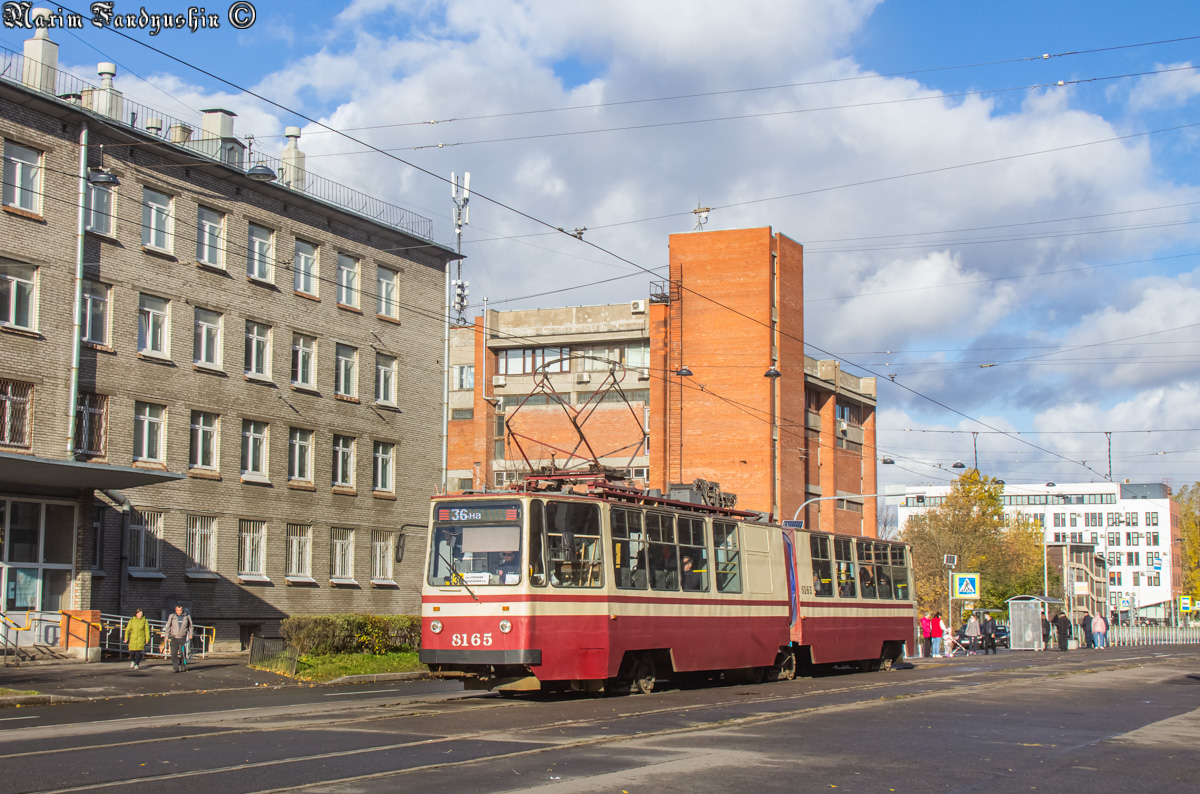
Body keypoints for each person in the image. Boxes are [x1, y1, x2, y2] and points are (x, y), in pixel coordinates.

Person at [164, 604, 194, 673]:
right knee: (174, 653)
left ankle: (183, 665)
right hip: (174, 638)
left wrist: (190, 634)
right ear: (175, 610)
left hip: (182, 638)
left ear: (182, 610)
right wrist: (166, 636)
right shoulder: (172, 616)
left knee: (182, 653)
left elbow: (191, 626)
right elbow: (168, 627)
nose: (179, 612)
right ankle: (175, 667)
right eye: (178, 610)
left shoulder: (187, 616)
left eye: (180, 610)